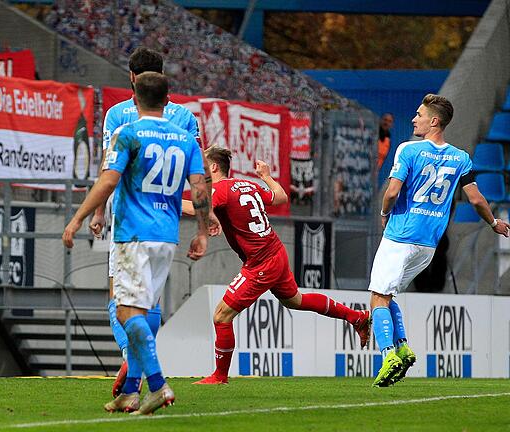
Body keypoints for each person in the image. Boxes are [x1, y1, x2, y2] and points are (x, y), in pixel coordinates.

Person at [63, 72, 210, 414]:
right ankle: (130, 392)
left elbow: (108, 180)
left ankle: (157, 385)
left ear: (134, 95)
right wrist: (202, 231)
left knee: (125, 309)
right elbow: (200, 187)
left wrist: (78, 217)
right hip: (167, 236)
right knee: (141, 310)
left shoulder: (126, 133)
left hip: (133, 234)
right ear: (166, 98)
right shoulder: (185, 137)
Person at [183, 145, 371, 385]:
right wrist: (266, 177)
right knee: (296, 301)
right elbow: (280, 197)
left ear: (213, 167)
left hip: (261, 262)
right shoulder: (246, 185)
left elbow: (198, 207)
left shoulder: (219, 189)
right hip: (276, 252)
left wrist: (166, 200)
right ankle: (356, 317)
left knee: (221, 315)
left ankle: (219, 376)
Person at [369, 94, 510, 387]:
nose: (414, 119)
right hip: (429, 244)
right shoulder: (461, 157)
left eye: (419, 115)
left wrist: (384, 214)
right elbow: (475, 198)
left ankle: (388, 355)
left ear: (434, 121)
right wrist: (494, 222)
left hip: (401, 234)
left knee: (377, 297)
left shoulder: (408, 150)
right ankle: (403, 346)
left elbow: (393, 192)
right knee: (389, 292)